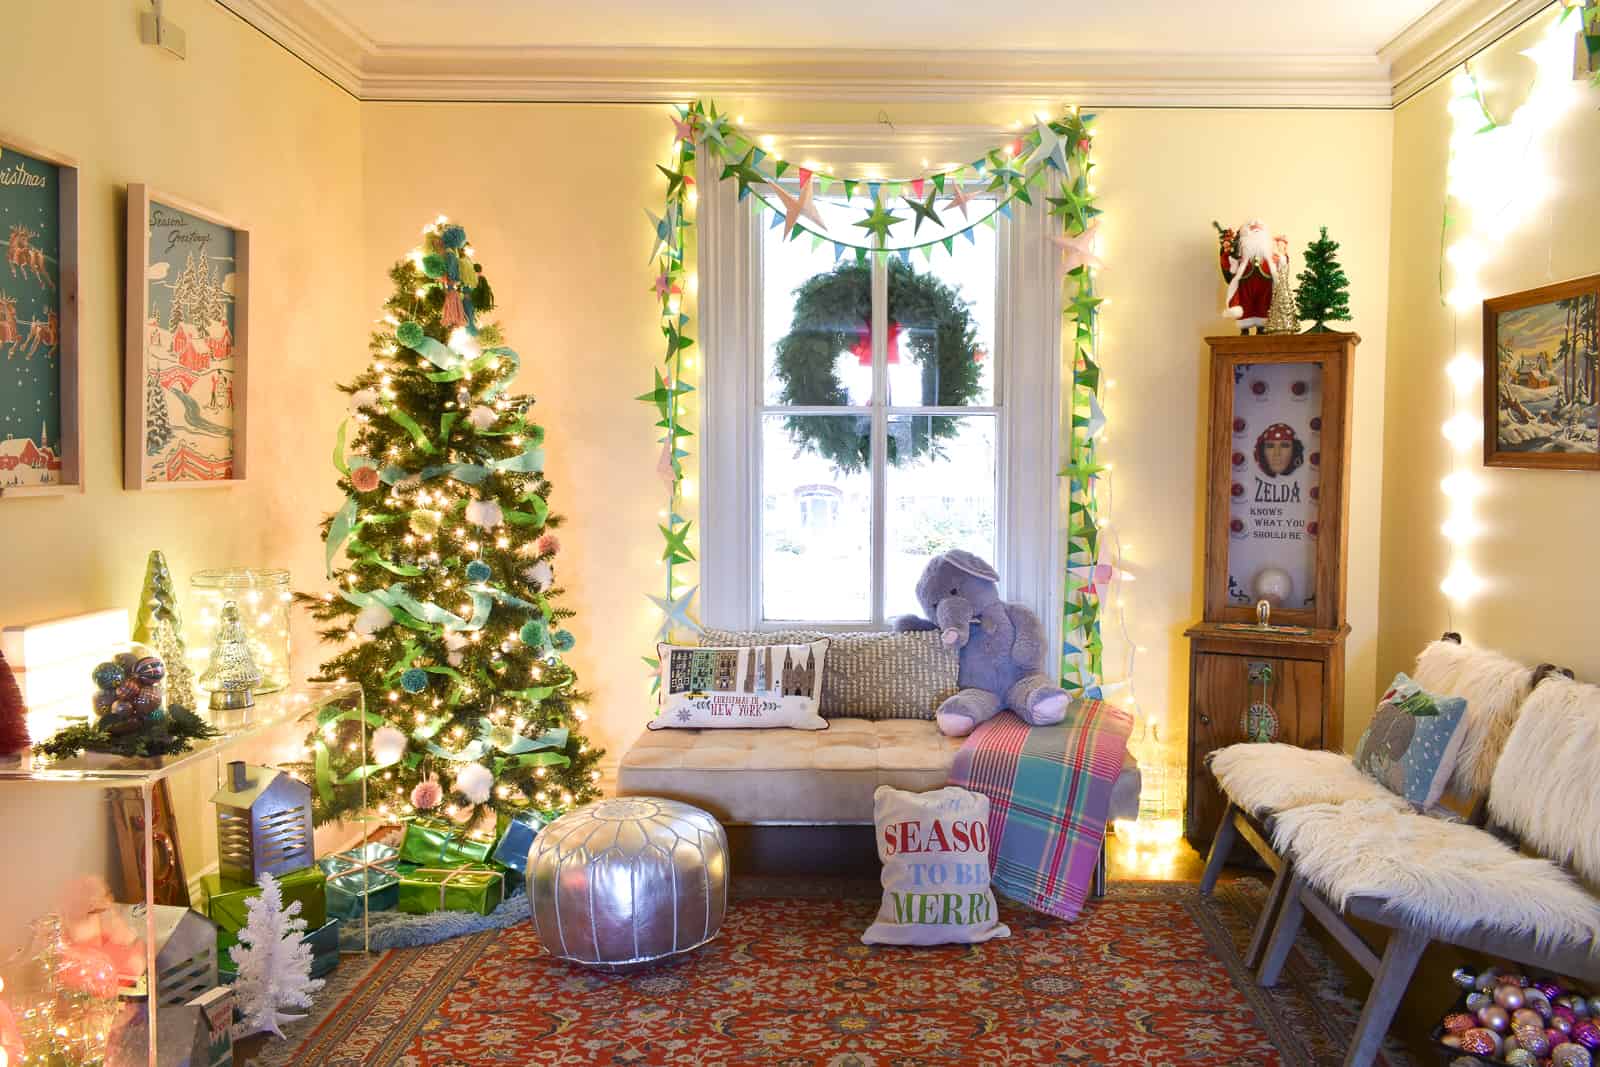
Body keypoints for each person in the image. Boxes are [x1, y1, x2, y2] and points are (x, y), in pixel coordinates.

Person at [1219, 219, 1275, 333]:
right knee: (1244, 304)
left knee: (1264, 304)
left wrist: (1283, 259)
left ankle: (1261, 327)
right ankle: (1244, 329)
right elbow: (1228, 265)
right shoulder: (1240, 253)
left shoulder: (1270, 254)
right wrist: (1227, 253)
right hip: (1245, 283)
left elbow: (1280, 264)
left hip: (1265, 284)